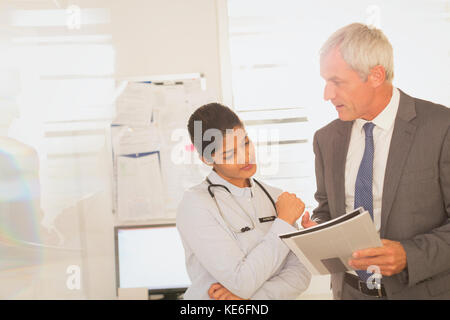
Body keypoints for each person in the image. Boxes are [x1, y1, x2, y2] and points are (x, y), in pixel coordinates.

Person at [300, 22, 450, 299]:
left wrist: (410, 255)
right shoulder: (326, 139)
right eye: (325, 81)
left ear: (376, 75)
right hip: (349, 292)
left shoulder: (442, 127)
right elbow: (326, 208)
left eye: (337, 82)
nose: (327, 95)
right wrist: (318, 230)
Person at [176, 103, 311, 300]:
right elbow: (241, 281)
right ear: (206, 159)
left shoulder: (276, 197)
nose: (245, 157)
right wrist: (283, 222)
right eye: (229, 154)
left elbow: (301, 274)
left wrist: (249, 298)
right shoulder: (196, 205)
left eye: (245, 143)